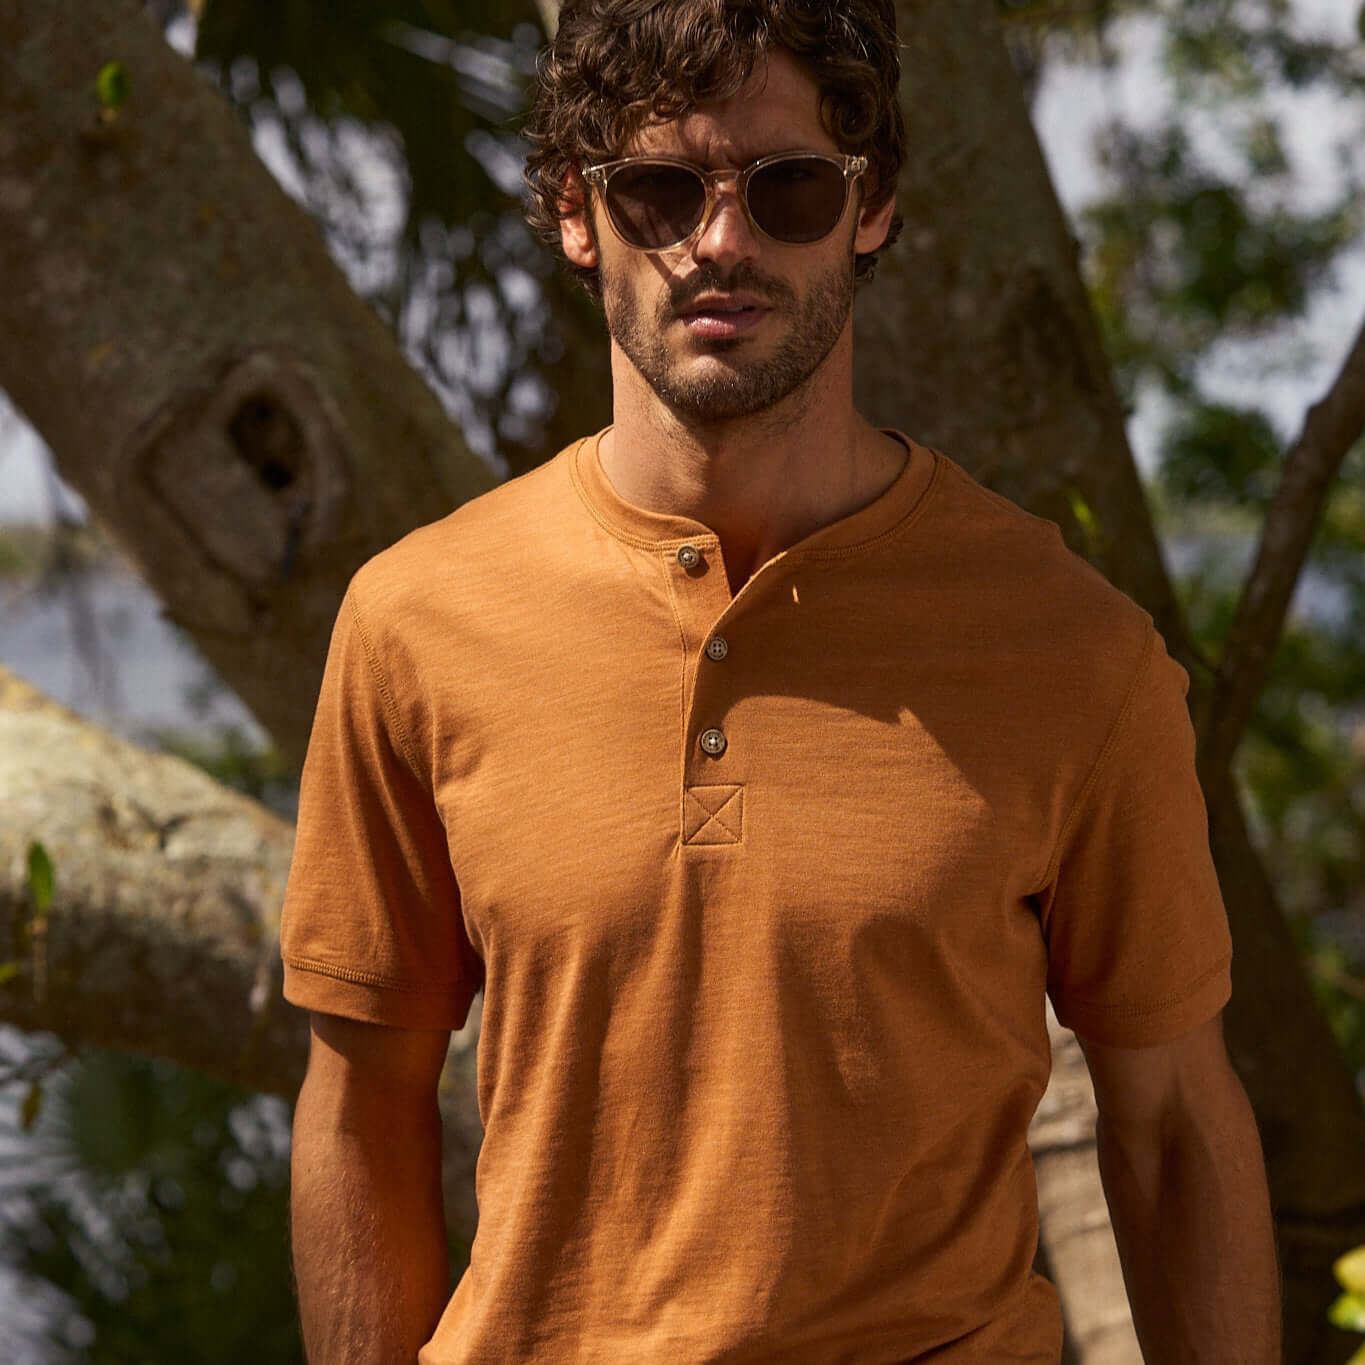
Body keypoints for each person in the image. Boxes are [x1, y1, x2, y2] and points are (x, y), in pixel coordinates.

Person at [282, 1, 1281, 1361]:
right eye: (659, 188)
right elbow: (360, 1106)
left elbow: (1168, 1124)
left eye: (787, 187)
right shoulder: (415, 623)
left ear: (867, 211)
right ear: (578, 215)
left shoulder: (1071, 652)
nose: (721, 241)